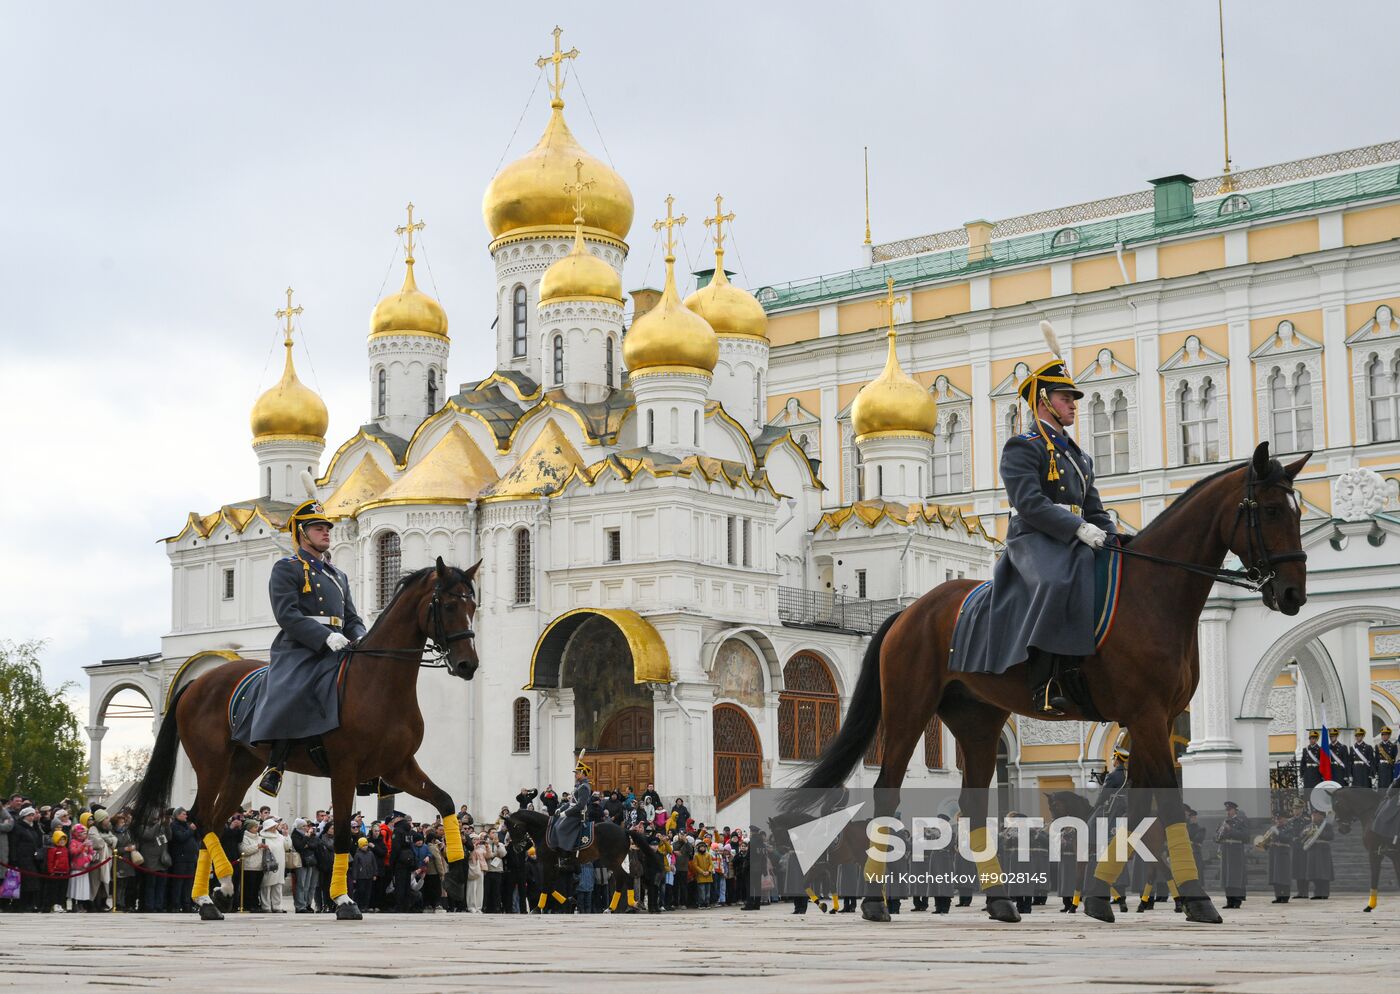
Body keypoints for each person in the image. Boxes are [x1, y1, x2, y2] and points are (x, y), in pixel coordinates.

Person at [987, 341, 1116, 714]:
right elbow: (1028, 504)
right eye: (1066, 398)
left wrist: (1117, 540)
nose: (1074, 404)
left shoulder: (1078, 455)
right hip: (1033, 536)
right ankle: (1043, 682)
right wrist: (1077, 528)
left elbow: (1095, 508)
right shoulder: (1022, 446)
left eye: (1073, 399)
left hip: (1073, 534)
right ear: (1044, 401)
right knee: (1056, 580)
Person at [248, 498, 367, 796]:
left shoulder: (337, 575)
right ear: (302, 533)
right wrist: (323, 637)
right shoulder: (287, 568)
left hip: (341, 644)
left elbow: (351, 616)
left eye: (327, 527)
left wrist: (361, 636)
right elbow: (287, 614)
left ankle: (372, 766)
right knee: (295, 687)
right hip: (301, 646)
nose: (326, 532)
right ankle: (276, 764)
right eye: (318, 528)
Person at [551, 757, 594, 856]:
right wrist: (560, 809)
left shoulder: (584, 787)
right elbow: (571, 802)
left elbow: (580, 805)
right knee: (556, 824)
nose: (575, 775)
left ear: (583, 774)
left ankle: (566, 853)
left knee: (560, 828)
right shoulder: (579, 786)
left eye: (577, 773)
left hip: (578, 814)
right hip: (573, 811)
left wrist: (565, 813)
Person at [1217, 801, 1250, 910]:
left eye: (1230, 810)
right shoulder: (1224, 822)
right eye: (1227, 810)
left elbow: (1245, 837)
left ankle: (1237, 901)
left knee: (1235, 876)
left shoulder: (1241, 821)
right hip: (1226, 851)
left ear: (1235, 810)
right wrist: (1219, 835)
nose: (1228, 812)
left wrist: (1230, 830)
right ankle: (1229, 901)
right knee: (1227, 876)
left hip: (1236, 851)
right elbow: (1215, 837)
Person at [1302, 809, 1334, 899]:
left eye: (1316, 815)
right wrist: (1305, 833)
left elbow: (1330, 836)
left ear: (1321, 816)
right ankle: (1317, 893)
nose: (1313, 817)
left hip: (1323, 852)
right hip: (1312, 851)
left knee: (1323, 873)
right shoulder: (1309, 826)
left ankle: (1324, 893)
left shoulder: (1326, 826)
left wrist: (1319, 833)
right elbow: (1302, 836)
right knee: (1314, 874)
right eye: (1313, 815)